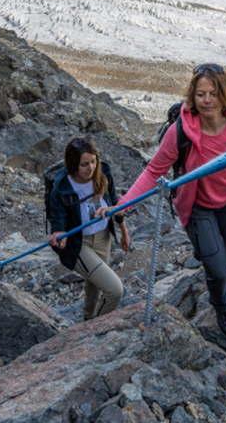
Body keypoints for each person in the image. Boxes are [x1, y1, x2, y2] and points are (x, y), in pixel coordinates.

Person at [105, 64, 226, 342]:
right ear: (192, 97)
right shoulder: (181, 131)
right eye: (200, 94)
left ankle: (210, 246)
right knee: (218, 270)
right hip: (197, 206)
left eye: (213, 94)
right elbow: (153, 172)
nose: (207, 100)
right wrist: (124, 205)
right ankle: (222, 305)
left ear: (225, 95)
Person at [47, 136, 131, 320]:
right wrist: (59, 235)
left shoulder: (104, 173)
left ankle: (87, 319)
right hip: (78, 243)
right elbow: (58, 221)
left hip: (103, 237)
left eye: (93, 161)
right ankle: (93, 330)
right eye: (84, 164)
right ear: (73, 164)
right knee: (115, 290)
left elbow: (115, 203)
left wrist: (124, 233)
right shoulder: (61, 189)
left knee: (95, 287)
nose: (90, 168)